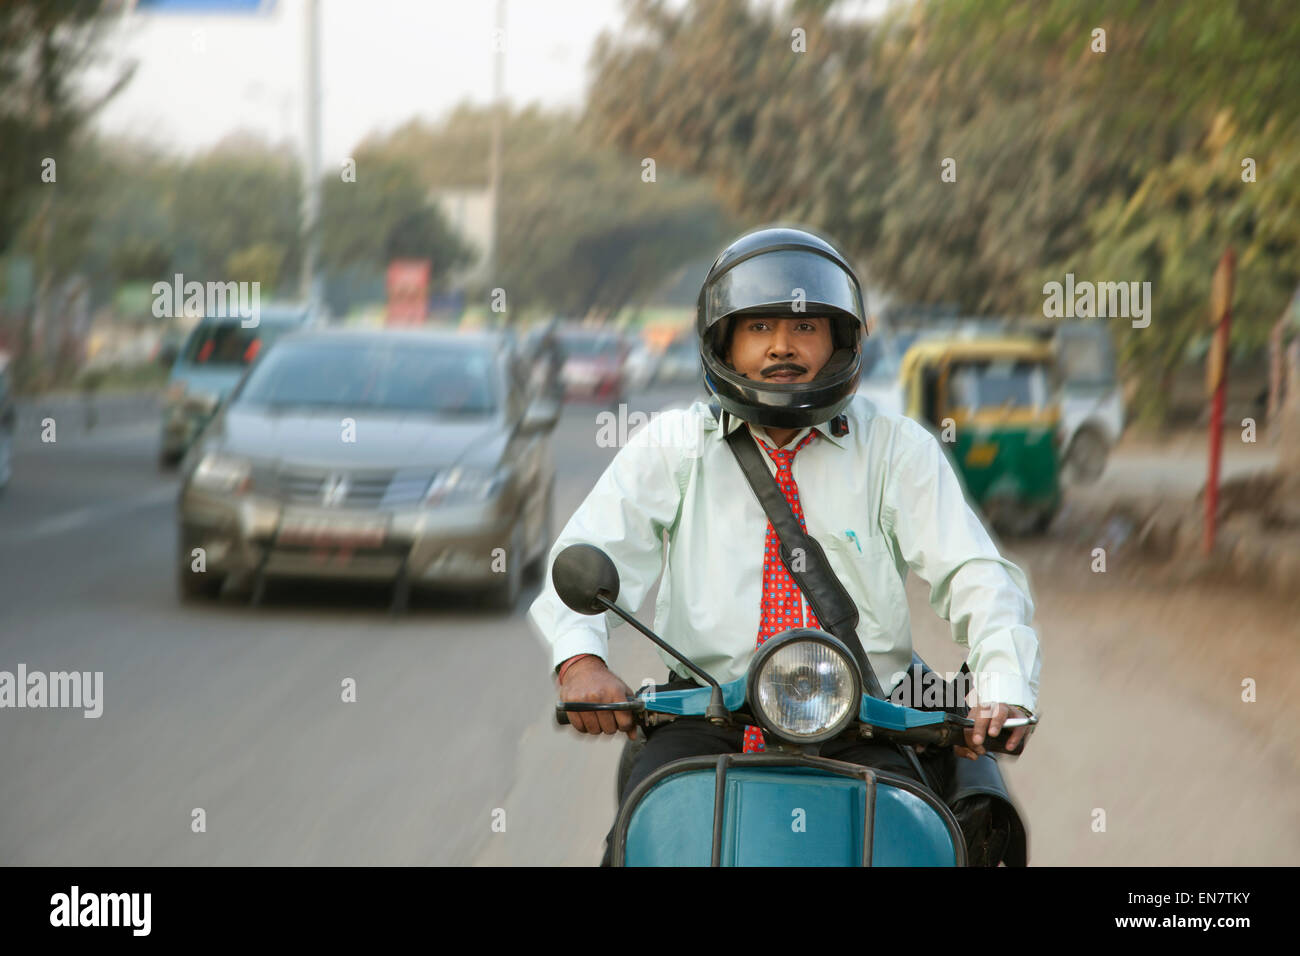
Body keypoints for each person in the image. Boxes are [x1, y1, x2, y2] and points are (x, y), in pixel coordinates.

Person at [527, 226, 1041, 864]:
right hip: (706, 722)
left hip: (868, 722)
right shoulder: (674, 445)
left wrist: (1002, 681)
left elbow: (976, 572)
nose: (781, 347)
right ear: (726, 344)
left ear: (838, 341)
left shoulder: (895, 448)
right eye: (759, 328)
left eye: (804, 328)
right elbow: (582, 553)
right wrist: (582, 664)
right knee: (634, 852)